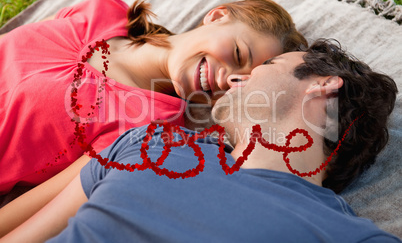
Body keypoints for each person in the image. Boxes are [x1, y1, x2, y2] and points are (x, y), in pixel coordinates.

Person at [1, 39, 399, 242]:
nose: (238, 78)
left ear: (324, 85)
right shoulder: (149, 142)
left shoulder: (343, 233)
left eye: (267, 65)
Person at [0, 0, 307, 198]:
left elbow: (48, 200)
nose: (226, 78)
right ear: (217, 16)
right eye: (238, 53)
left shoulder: (146, 130)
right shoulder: (105, 11)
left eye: (239, 83)